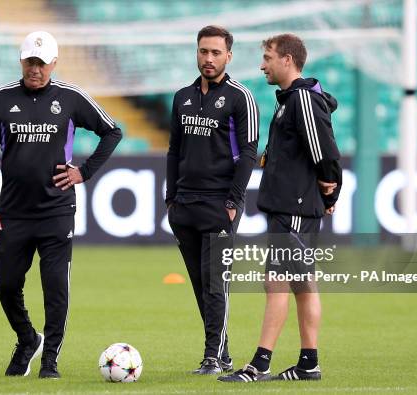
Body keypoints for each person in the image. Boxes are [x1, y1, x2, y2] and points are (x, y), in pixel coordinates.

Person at [0, 31, 122, 379]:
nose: (35, 69)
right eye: (30, 61)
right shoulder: (0, 99)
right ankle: (28, 338)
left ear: (54, 63)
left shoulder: (70, 98)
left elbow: (112, 131)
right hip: (13, 212)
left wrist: (84, 172)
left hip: (57, 211)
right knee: (7, 283)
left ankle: (50, 361)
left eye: (42, 63)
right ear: (22, 61)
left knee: (55, 286)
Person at [218, 33, 341, 383]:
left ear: (287, 60)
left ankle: (260, 363)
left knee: (277, 282)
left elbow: (325, 151)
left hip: (295, 206)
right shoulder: (290, 99)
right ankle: (308, 364)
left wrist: (330, 192)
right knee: (302, 284)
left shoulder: (301, 97)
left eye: (268, 57)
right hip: (291, 204)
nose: (262, 64)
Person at [166, 25, 259, 375]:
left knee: (216, 283)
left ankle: (212, 357)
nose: (208, 58)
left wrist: (234, 200)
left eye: (216, 53)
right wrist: (170, 197)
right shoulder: (182, 97)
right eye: (203, 51)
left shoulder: (240, 98)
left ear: (228, 56)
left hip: (220, 204)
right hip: (185, 205)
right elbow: (175, 149)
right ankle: (223, 353)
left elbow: (249, 153)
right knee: (200, 286)